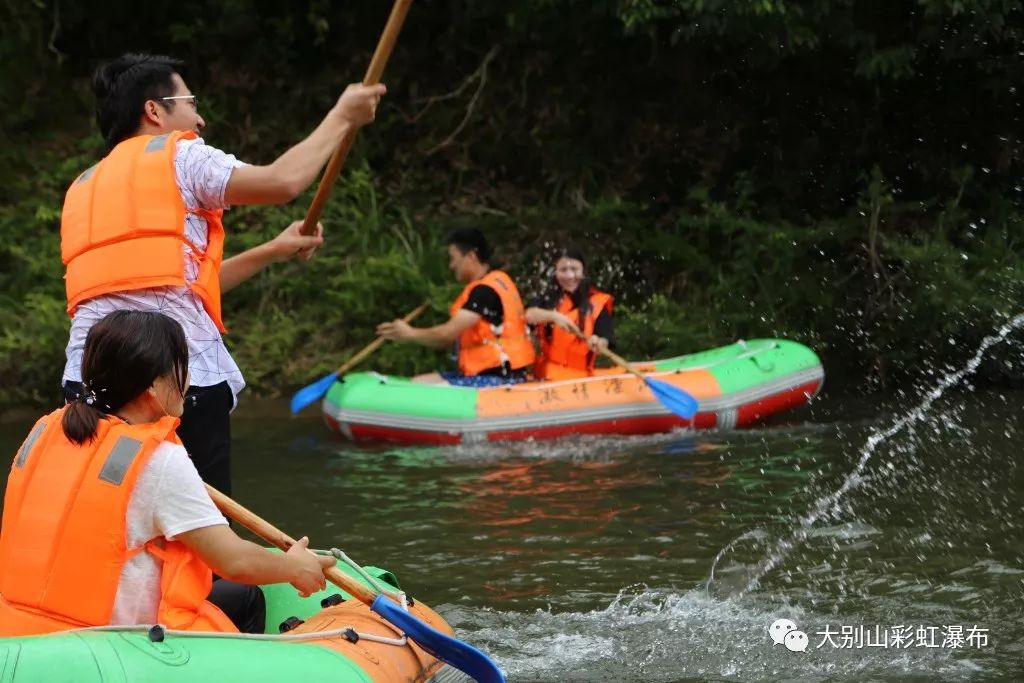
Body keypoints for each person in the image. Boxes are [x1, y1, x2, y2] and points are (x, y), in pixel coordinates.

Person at [60, 53, 386, 494]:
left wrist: (273, 250)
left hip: (85, 385)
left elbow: (177, 289)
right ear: (154, 110)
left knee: (122, 518)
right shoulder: (181, 155)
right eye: (191, 102)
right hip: (171, 383)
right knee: (201, 535)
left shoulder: (84, 186)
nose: (201, 117)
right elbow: (282, 182)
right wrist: (342, 117)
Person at [0, 311, 334, 636]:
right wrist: (295, 568)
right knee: (245, 596)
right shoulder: (160, 460)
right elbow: (234, 562)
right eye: (183, 368)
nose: (189, 380)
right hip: (109, 643)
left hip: (23, 633)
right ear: (154, 386)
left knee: (234, 596)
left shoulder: (46, 432)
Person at [376, 229, 535, 386]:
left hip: (499, 378)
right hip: (492, 372)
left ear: (471, 256)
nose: (451, 266)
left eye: (453, 258)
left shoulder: (485, 292)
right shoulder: (498, 281)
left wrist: (409, 333)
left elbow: (447, 335)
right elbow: (446, 341)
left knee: (421, 387)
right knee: (418, 382)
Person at [526, 247, 614, 380]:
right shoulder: (547, 299)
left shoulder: (597, 301)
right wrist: (555, 316)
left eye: (574, 269)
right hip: (545, 376)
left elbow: (605, 339)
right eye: (563, 270)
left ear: (583, 271)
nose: (569, 276)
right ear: (555, 272)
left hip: (579, 378)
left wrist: (599, 343)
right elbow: (528, 315)